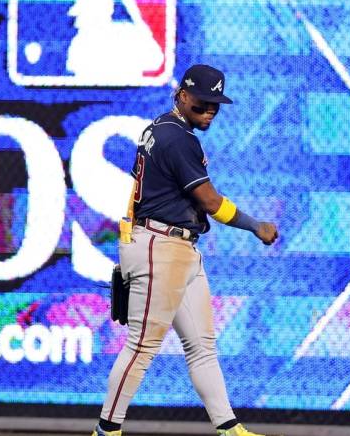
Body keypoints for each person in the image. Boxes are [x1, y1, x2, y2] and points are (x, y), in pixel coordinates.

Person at [93, 65, 279, 436]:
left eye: (215, 105)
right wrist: (255, 225)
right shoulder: (178, 138)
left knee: (201, 345)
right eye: (202, 103)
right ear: (182, 94)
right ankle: (105, 432)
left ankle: (230, 428)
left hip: (175, 247)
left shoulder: (162, 128)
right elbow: (209, 201)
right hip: (161, 246)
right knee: (142, 346)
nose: (209, 110)